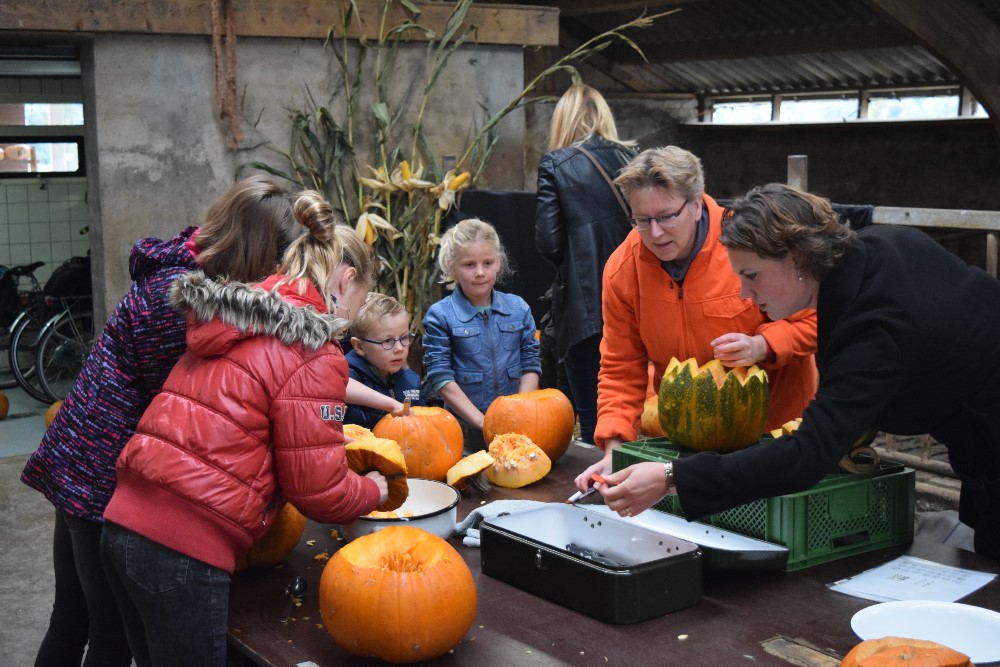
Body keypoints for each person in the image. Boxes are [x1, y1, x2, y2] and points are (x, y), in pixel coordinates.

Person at [595, 183, 1000, 561]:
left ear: (798, 258)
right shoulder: (880, 247)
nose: (744, 294)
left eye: (751, 275)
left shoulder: (876, 327)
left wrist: (670, 476)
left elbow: (807, 456)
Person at [19, 175, 305, 667]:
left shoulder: (190, 276)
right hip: (101, 478)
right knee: (108, 634)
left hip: (82, 462)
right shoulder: (179, 300)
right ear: (264, 253)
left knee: (73, 616)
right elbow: (198, 404)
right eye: (289, 258)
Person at [100, 194, 388, 666]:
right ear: (347, 279)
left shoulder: (238, 318)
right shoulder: (311, 349)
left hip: (122, 525)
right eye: (359, 300)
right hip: (183, 546)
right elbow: (318, 490)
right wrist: (372, 491)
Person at [574, 147, 819, 491]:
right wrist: (615, 448)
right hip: (688, 447)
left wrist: (764, 345)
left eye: (667, 216)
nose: (655, 233)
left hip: (779, 434)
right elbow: (620, 367)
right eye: (642, 220)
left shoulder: (751, 241)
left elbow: (814, 317)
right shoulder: (622, 269)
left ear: (695, 203)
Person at [534, 83, 638, 444]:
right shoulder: (634, 159)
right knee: (638, 410)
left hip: (585, 308)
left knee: (597, 419)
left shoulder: (556, 163)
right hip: (638, 300)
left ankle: (601, 493)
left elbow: (547, 242)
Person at [423, 217, 542, 452]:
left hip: (516, 430)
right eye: (469, 265)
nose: (480, 272)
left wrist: (519, 412)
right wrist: (483, 422)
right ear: (451, 266)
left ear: (498, 262)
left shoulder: (519, 309)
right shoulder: (440, 315)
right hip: (464, 434)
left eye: (488, 263)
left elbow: (530, 363)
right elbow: (440, 377)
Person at [345, 292, 424, 429]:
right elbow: (340, 386)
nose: (399, 348)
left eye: (404, 338)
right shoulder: (347, 373)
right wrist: (390, 404)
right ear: (359, 346)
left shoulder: (411, 382)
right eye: (388, 341)